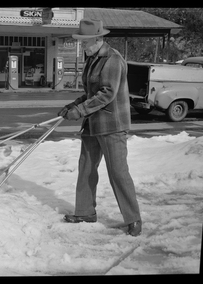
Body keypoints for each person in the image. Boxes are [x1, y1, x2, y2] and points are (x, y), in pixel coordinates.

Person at [57, 19, 142, 236]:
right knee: (86, 167)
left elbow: (106, 93)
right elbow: (91, 93)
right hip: (93, 123)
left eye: (85, 42)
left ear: (97, 39)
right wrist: (74, 105)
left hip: (112, 125)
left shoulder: (112, 59)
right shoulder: (93, 59)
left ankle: (133, 219)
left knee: (118, 172)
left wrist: (81, 110)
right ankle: (85, 212)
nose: (82, 46)